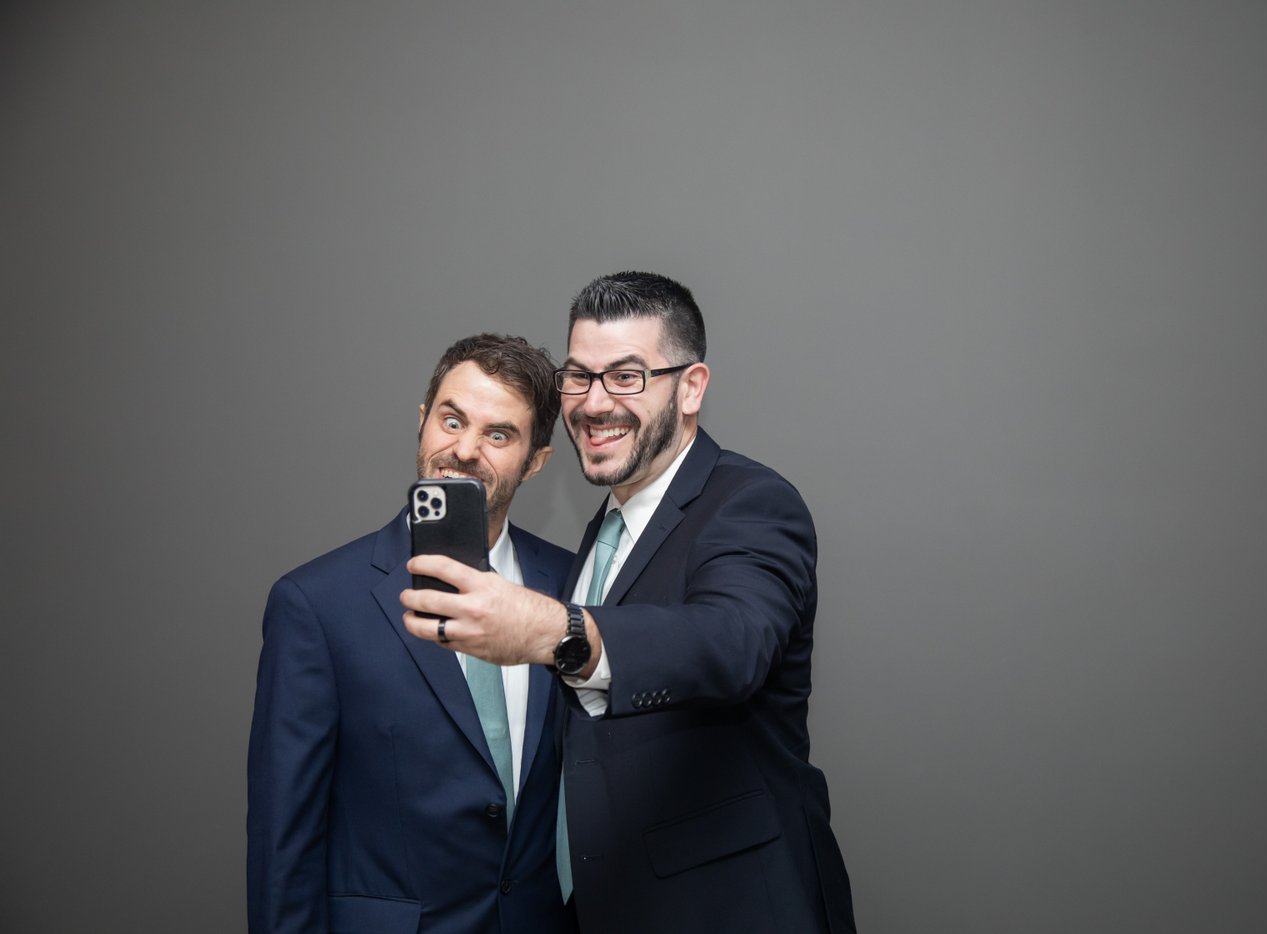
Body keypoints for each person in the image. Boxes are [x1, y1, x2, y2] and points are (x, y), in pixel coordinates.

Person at [401, 273, 857, 934]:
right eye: (579, 377)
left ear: (691, 387)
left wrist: (558, 632)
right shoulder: (602, 533)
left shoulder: (750, 503)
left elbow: (732, 640)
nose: (594, 403)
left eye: (627, 377)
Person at [248, 334, 578, 934]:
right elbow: (283, 841)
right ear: (423, 422)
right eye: (451, 420)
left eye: (498, 434)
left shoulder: (571, 585)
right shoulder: (316, 605)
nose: (465, 449)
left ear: (536, 462)